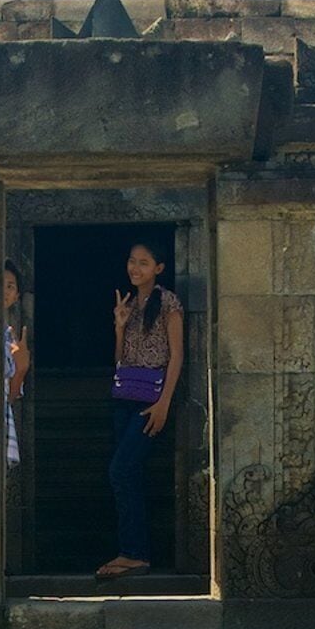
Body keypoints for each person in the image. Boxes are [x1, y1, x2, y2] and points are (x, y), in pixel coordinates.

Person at [96, 242, 182, 580]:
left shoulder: (168, 302)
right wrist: (119, 325)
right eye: (132, 261)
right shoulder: (131, 304)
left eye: (144, 263)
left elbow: (177, 355)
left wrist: (164, 403)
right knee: (127, 475)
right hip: (125, 397)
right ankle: (132, 552)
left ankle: (134, 553)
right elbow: (121, 359)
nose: (136, 268)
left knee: (121, 471)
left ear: (159, 268)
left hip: (151, 400)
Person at [0, 260, 30, 473]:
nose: (5, 290)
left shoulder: (10, 338)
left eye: (11, 286)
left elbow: (11, 396)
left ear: (17, 296)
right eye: (1, 283)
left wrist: (22, 367)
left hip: (1, 421)